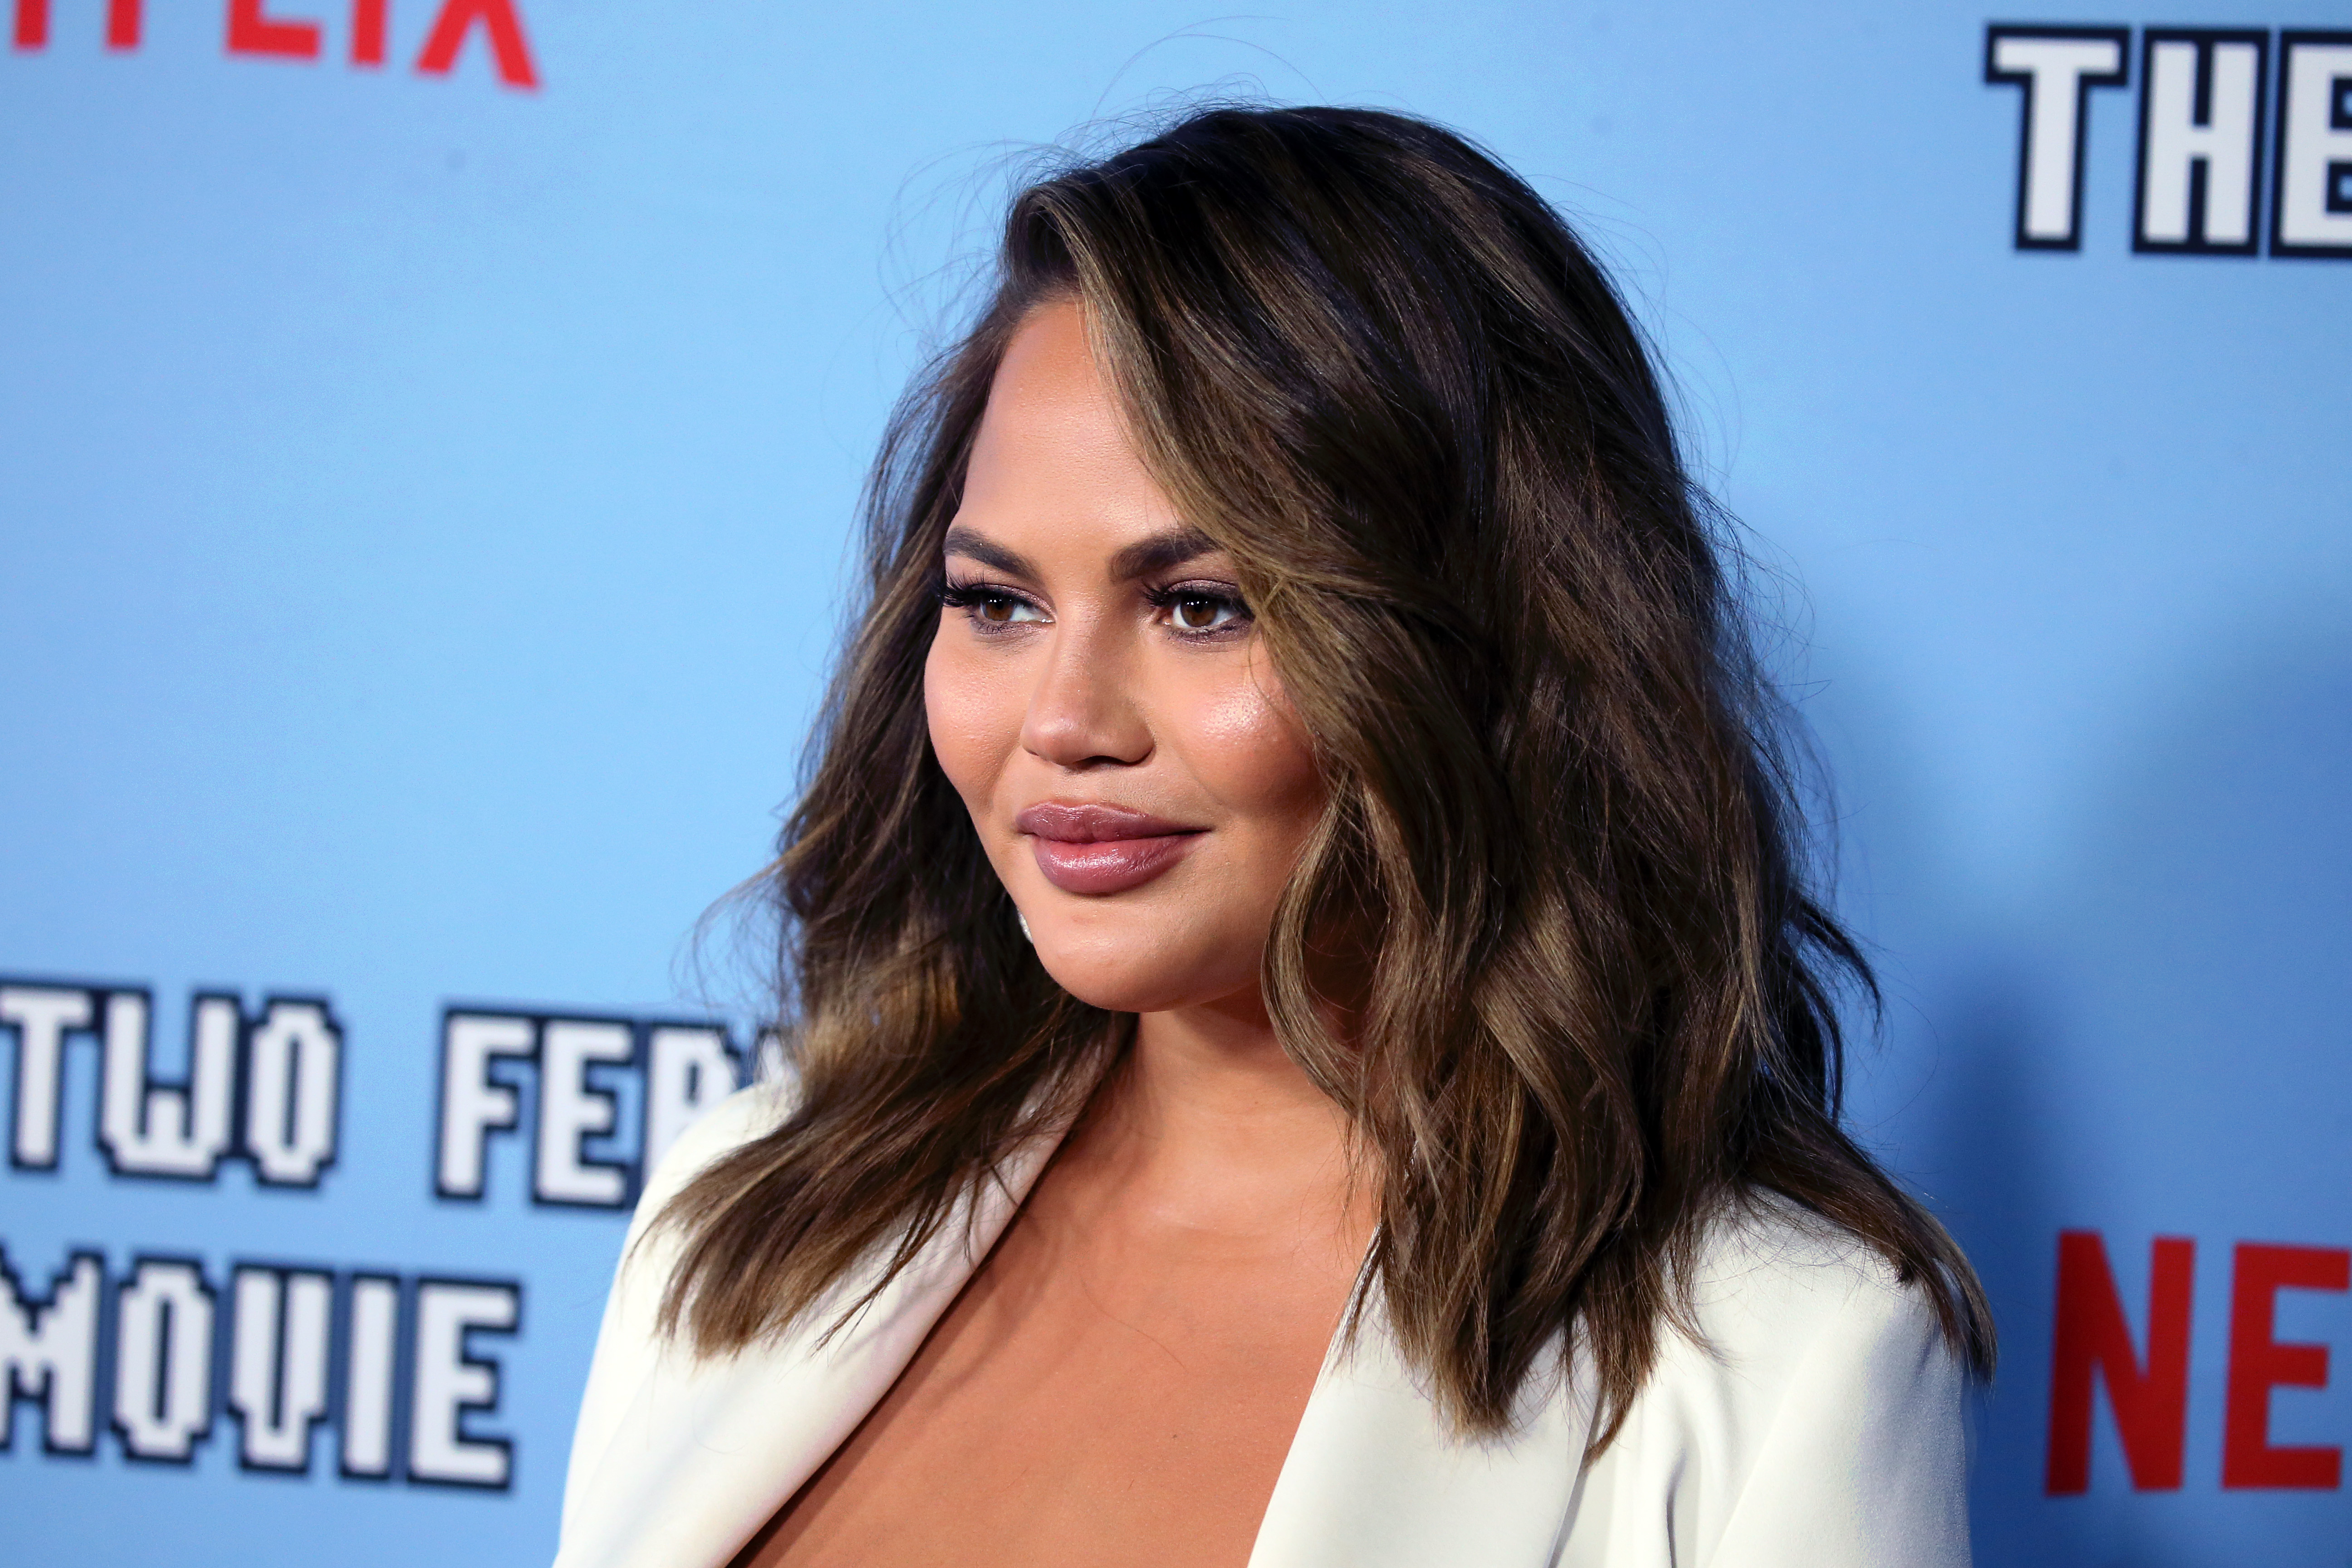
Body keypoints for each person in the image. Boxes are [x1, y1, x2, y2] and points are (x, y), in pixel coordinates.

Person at [553, 105, 1994, 1568]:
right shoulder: (746, 1204)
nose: (1064, 721)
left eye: (1202, 606)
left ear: (1486, 650)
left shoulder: (1783, 1358)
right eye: (998, 602)